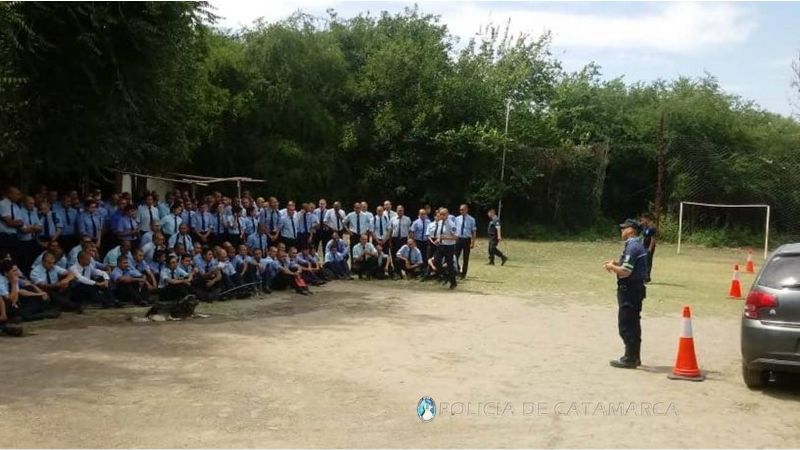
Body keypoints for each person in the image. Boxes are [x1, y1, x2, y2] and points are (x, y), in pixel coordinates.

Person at [604, 219, 649, 369]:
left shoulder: (633, 246)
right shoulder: (636, 244)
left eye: (623, 228)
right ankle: (634, 356)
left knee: (626, 324)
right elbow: (628, 266)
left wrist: (612, 267)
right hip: (634, 288)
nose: (621, 231)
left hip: (630, 289)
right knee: (633, 323)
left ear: (631, 230)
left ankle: (630, 357)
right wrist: (617, 264)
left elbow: (626, 271)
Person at [431, 208, 458, 289]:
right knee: (436, 261)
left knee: (450, 265)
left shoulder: (451, 224)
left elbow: (456, 237)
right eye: (441, 214)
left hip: (449, 246)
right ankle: (446, 276)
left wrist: (445, 237)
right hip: (441, 245)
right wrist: (438, 239)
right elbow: (440, 234)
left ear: (447, 214)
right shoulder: (439, 223)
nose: (442, 216)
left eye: (444, 214)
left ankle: (453, 282)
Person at [0, 187, 24, 261]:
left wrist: (15, 222)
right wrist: (16, 222)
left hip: (13, 236)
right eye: (17, 194)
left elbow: (21, 222)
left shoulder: (16, 206)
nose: (19, 196)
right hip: (3, 236)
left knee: (14, 258)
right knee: (4, 258)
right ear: (10, 194)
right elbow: (9, 222)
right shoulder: (2, 204)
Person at [454, 204, 477, 279]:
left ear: (467, 210)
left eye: (463, 209)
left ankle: (463, 274)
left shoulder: (471, 219)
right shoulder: (457, 219)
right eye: (460, 210)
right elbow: (454, 229)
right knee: (455, 256)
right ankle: (457, 271)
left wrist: (473, 242)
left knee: (465, 258)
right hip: (458, 239)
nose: (461, 211)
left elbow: (473, 231)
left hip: (466, 239)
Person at [640, 213, 657, 283]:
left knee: (648, 262)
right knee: (643, 261)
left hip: (649, 247)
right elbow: (643, 237)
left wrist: (650, 248)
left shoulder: (652, 227)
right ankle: (643, 276)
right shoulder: (645, 227)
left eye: (643, 219)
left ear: (647, 219)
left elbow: (653, 238)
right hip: (644, 246)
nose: (642, 221)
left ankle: (647, 278)